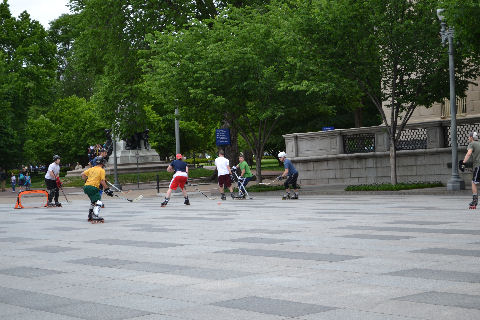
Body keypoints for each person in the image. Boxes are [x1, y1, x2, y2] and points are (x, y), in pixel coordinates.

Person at [81, 156, 113, 223]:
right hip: (93, 187)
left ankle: (90, 215)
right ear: (102, 163)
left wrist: (86, 180)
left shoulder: (91, 168)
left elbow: (82, 174)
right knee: (99, 201)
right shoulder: (102, 170)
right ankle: (95, 215)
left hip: (86, 187)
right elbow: (102, 181)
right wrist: (107, 189)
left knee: (93, 201)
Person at [461, 132, 480, 208]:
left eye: (469, 137)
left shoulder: (472, 144)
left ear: (471, 137)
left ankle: (474, 201)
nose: (468, 138)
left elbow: (469, 154)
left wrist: (463, 163)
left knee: (473, 182)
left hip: (478, 166)